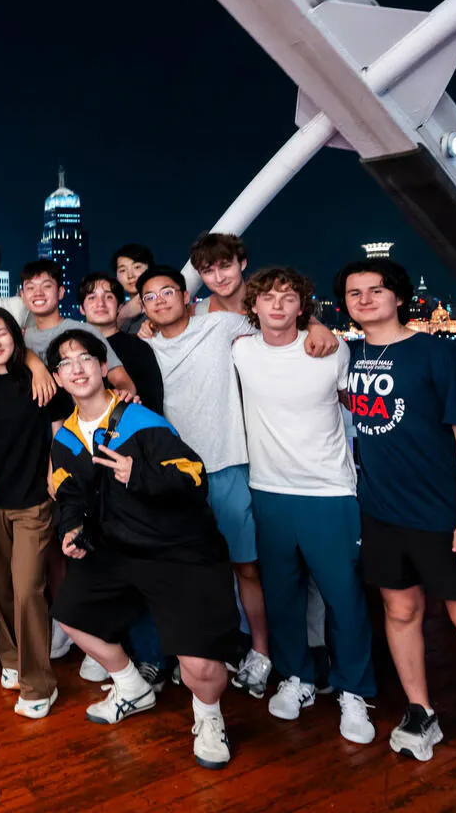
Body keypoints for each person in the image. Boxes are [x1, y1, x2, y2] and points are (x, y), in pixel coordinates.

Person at [337, 258, 456, 809]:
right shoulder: (350, 355)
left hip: (445, 516)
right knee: (400, 612)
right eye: (354, 292)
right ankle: (421, 712)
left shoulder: (439, 354)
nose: (365, 299)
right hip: (380, 513)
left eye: (376, 290)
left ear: (399, 297)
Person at [45, 329, 244, 769]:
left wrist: (139, 474)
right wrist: (71, 528)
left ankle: (209, 716)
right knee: (70, 613)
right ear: (58, 379)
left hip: (178, 551)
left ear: (103, 367)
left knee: (200, 669)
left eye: (85, 359)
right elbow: (69, 494)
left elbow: (194, 477)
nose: (77, 369)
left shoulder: (142, 422)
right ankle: (131, 687)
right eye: (65, 363)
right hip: (117, 550)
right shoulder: (66, 439)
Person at [139, 263, 338, 697]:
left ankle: (261, 652)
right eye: (149, 296)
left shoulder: (220, 325)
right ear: (143, 306)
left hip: (228, 464)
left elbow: (277, 321)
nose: (159, 301)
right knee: (189, 570)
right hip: (177, 476)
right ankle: (203, 650)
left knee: (246, 566)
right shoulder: (144, 346)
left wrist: (318, 325)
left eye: (167, 291)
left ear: (185, 295)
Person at [231, 268, 376, 744]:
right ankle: (297, 678)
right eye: (268, 297)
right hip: (268, 489)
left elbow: (355, 406)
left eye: (288, 297)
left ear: (302, 306)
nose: (277, 305)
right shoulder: (241, 350)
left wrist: (320, 328)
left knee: (343, 597)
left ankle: (354, 690)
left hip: (329, 491)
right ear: (253, 306)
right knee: (282, 595)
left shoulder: (331, 350)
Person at [0, 307, 70, 718]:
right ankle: (12, 658)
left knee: (28, 587)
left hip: (33, 501)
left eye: (2, 334)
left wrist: (52, 472)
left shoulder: (38, 380)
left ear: (15, 335)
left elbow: (61, 432)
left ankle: (39, 684)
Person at [18, 260, 135, 395]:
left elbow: (120, 378)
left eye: (47, 286)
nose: (38, 293)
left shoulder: (84, 331)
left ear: (60, 292)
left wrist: (124, 395)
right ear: (23, 296)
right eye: (30, 288)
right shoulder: (22, 338)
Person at [78, 271, 164, 415]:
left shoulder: (139, 347)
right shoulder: (73, 348)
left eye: (109, 297)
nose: (100, 303)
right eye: (92, 297)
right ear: (82, 308)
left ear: (119, 307)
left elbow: (152, 402)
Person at [190, 233, 248, 316]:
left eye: (225, 266)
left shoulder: (266, 304)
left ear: (242, 264)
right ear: (200, 274)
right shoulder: (195, 314)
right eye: (208, 271)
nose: (219, 279)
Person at [111, 243, 154, 334]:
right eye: (122, 270)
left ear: (150, 269)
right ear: (116, 277)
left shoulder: (162, 303)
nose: (130, 275)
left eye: (137, 267)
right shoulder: (113, 311)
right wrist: (122, 316)